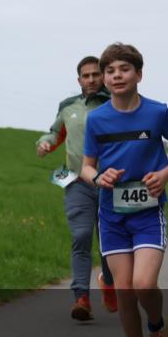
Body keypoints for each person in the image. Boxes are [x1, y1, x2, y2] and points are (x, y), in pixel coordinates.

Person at [80, 43, 168, 337]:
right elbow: (86, 167)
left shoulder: (157, 113)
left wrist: (165, 174)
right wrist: (99, 178)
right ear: (104, 79)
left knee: (144, 284)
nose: (116, 76)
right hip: (112, 214)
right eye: (110, 71)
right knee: (126, 289)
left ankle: (157, 327)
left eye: (124, 69)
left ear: (138, 75)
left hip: (148, 211)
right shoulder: (96, 119)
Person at [36, 56, 117, 320]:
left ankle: (108, 280)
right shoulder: (68, 106)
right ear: (79, 79)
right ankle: (81, 297)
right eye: (86, 75)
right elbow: (55, 132)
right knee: (81, 235)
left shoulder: (115, 103)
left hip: (109, 182)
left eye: (96, 74)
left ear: (104, 76)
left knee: (108, 240)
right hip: (75, 181)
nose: (91, 79)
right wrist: (45, 143)